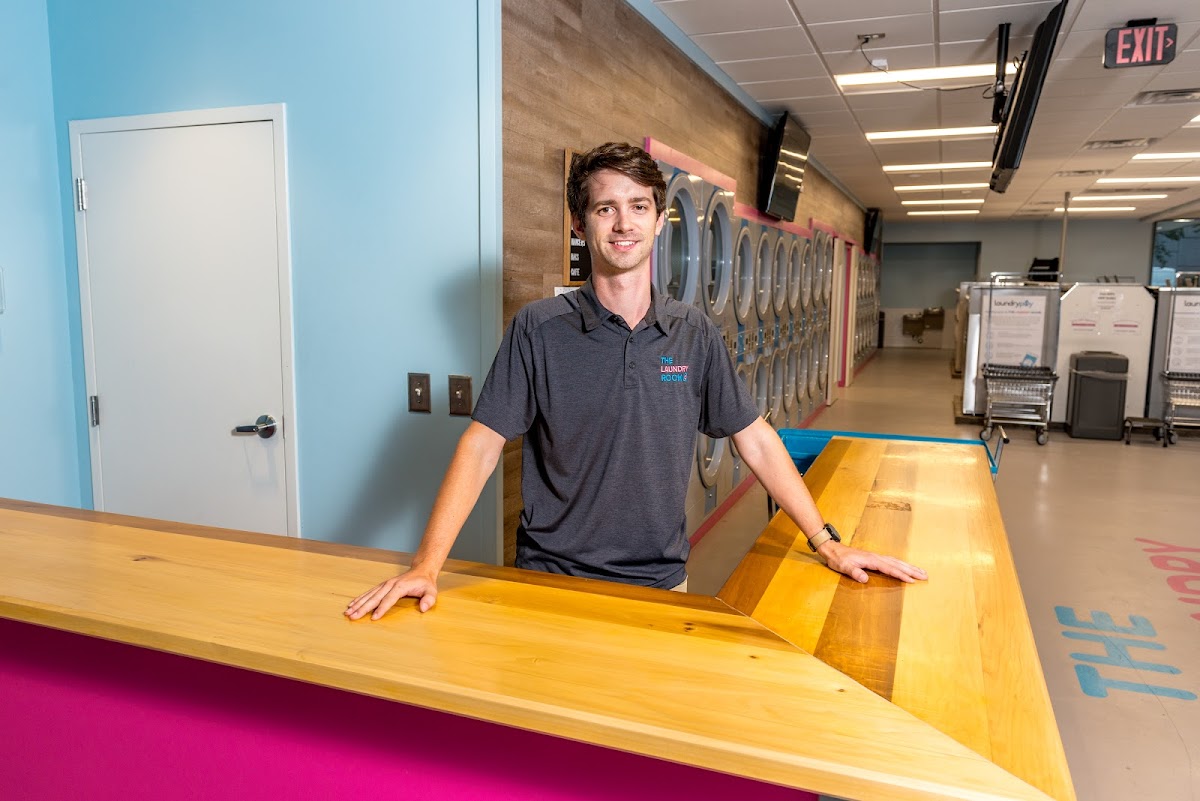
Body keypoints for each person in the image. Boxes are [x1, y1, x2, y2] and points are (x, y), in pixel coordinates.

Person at [345, 142, 926, 621]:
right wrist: (426, 565)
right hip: (551, 581)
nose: (623, 223)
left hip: (659, 581)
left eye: (639, 206)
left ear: (657, 217)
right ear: (580, 224)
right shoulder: (539, 329)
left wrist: (826, 540)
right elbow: (481, 447)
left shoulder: (692, 333)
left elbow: (755, 439)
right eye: (605, 209)